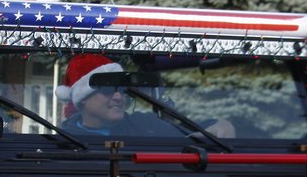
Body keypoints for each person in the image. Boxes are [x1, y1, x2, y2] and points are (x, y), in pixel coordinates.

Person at [56, 54, 234, 138]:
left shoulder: (146, 125)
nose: (119, 97)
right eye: (109, 90)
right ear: (83, 99)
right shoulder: (64, 143)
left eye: (123, 89)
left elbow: (189, 133)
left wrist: (219, 126)